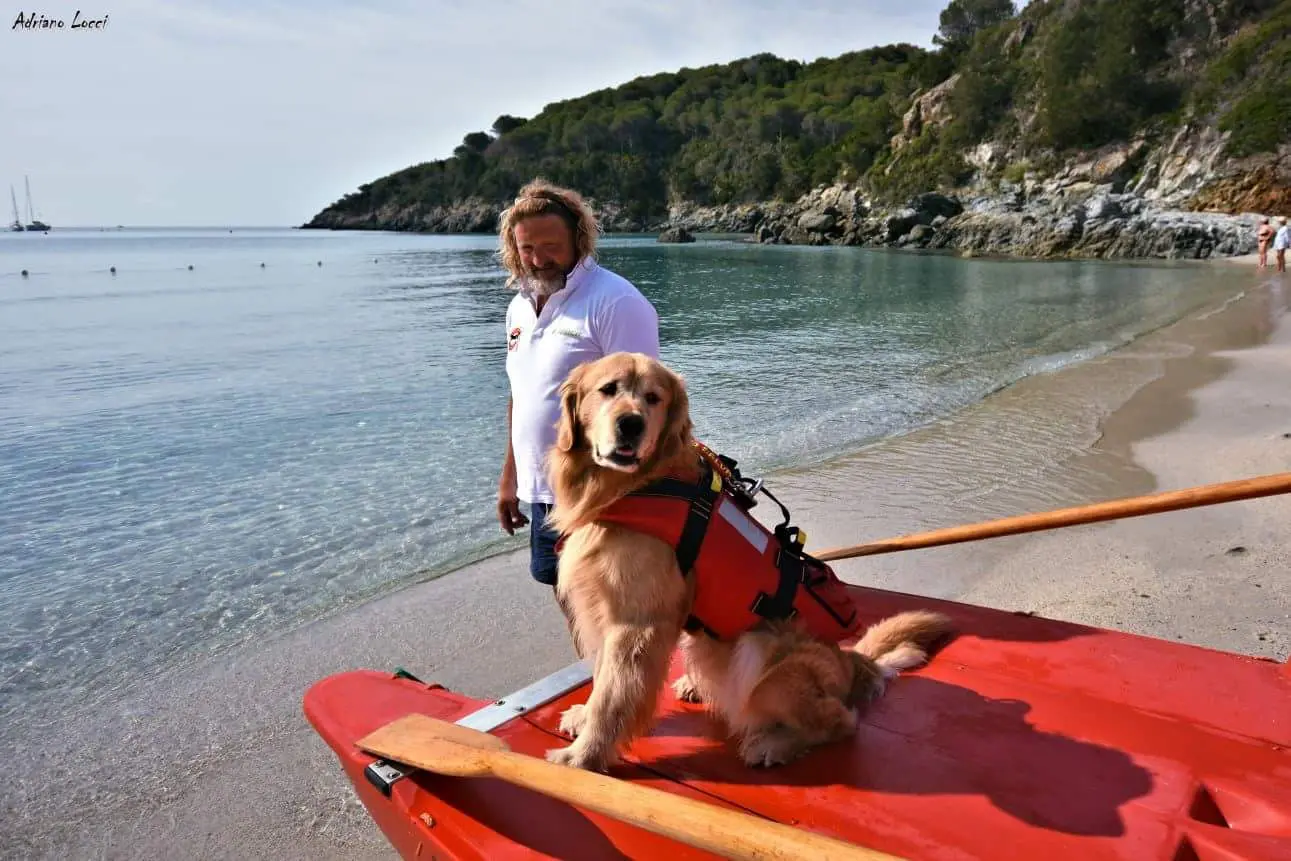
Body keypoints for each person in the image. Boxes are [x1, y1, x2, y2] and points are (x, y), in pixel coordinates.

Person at [496, 178, 661, 599]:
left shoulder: (615, 302)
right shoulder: (518, 307)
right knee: (565, 594)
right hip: (543, 490)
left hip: (599, 492)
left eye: (551, 246)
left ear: (579, 239)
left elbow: (646, 405)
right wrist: (511, 479)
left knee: (609, 603)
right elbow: (523, 395)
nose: (538, 259)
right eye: (526, 248)